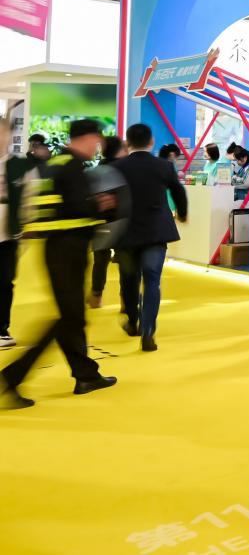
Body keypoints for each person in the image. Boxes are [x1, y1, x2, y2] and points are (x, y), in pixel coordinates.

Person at [1, 120, 117, 407]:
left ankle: (85, 374)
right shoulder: (72, 166)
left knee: (72, 316)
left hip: (56, 248)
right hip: (69, 249)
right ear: (86, 138)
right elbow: (78, 206)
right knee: (69, 318)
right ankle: (11, 377)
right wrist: (101, 205)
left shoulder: (53, 164)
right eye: (96, 140)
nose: (97, 147)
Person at [113, 124, 188, 352]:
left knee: (129, 280)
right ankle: (148, 332)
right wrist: (182, 213)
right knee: (152, 281)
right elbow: (178, 191)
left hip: (126, 233)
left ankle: (132, 321)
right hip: (156, 232)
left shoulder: (117, 167)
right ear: (151, 141)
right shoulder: (164, 166)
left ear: (127, 143)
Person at [88, 135, 126, 309]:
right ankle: (126, 300)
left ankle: (96, 296)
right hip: (122, 221)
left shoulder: (97, 170)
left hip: (101, 221)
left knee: (100, 261)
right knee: (126, 261)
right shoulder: (125, 170)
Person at [0, 117, 26, 349]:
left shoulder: (19, 165)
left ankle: (1, 329)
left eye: (3, 132)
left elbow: (29, 197)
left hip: (9, 234)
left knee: (5, 281)